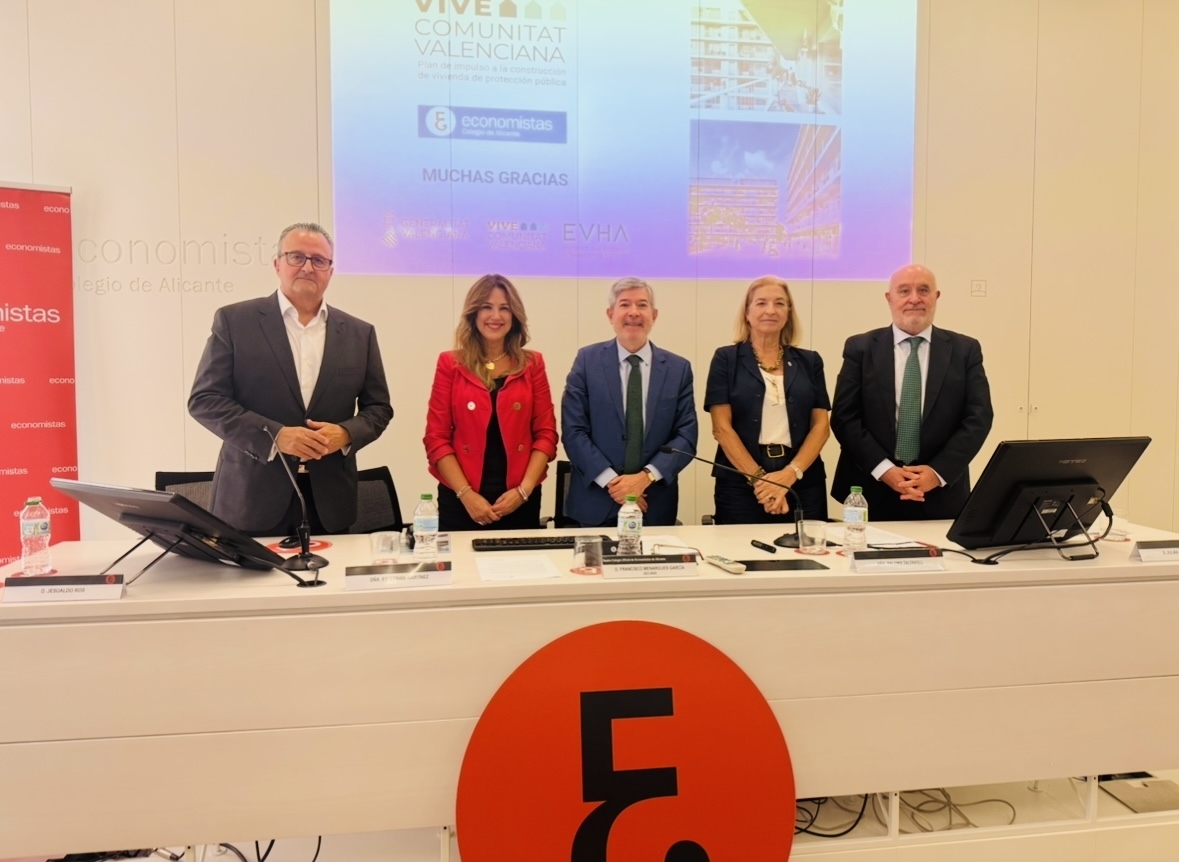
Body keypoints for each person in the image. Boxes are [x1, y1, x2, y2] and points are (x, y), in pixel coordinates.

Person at [188, 222, 393, 535]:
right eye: (297, 257)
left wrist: (346, 433)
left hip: (330, 503)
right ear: (277, 264)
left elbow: (378, 408)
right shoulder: (235, 321)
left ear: (331, 270)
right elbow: (205, 400)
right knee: (251, 585)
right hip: (252, 500)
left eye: (319, 260)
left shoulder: (359, 333)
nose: (308, 267)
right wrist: (275, 436)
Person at [830, 263, 993, 520]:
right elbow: (845, 417)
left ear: (936, 297)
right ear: (889, 298)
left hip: (940, 492)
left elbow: (978, 418)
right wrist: (885, 470)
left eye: (924, 290)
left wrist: (936, 473)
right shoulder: (860, 348)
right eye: (904, 291)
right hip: (870, 491)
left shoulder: (965, 350)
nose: (914, 299)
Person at [424, 275, 558, 531]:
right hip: (462, 500)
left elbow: (546, 435)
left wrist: (523, 490)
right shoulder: (450, 364)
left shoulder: (533, 364)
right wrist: (466, 495)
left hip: (520, 499)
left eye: (504, 308)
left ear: (515, 316)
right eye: (487, 307)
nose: (495, 316)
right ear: (473, 314)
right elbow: (436, 438)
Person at [561, 277, 698, 527]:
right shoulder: (587, 361)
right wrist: (615, 484)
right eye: (625, 305)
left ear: (654, 315)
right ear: (610, 314)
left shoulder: (678, 369)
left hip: (654, 505)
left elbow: (686, 437)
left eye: (642, 305)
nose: (633, 313)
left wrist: (645, 478)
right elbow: (573, 431)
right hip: (596, 504)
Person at [704, 276, 830, 524]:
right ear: (747, 312)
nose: (770, 310)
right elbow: (721, 428)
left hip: (802, 481)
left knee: (807, 556)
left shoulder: (810, 361)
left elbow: (821, 427)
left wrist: (789, 475)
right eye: (761, 303)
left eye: (779, 304)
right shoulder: (726, 359)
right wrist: (761, 482)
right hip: (741, 483)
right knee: (742, 556)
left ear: (788, 313)